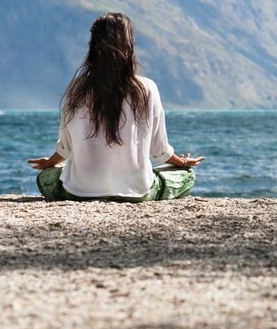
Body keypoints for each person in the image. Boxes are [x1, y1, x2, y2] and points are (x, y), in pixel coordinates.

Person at [27, 12, 204, 202]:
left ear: (93, 46)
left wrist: (49, 163)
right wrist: (182, 162)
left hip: (78, 193)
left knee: (46, 177)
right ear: (129, 46)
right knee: (186, 176)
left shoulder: (77, 88)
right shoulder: (147, 88)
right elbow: (158, 150)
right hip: (137, 192)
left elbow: (67, 146)